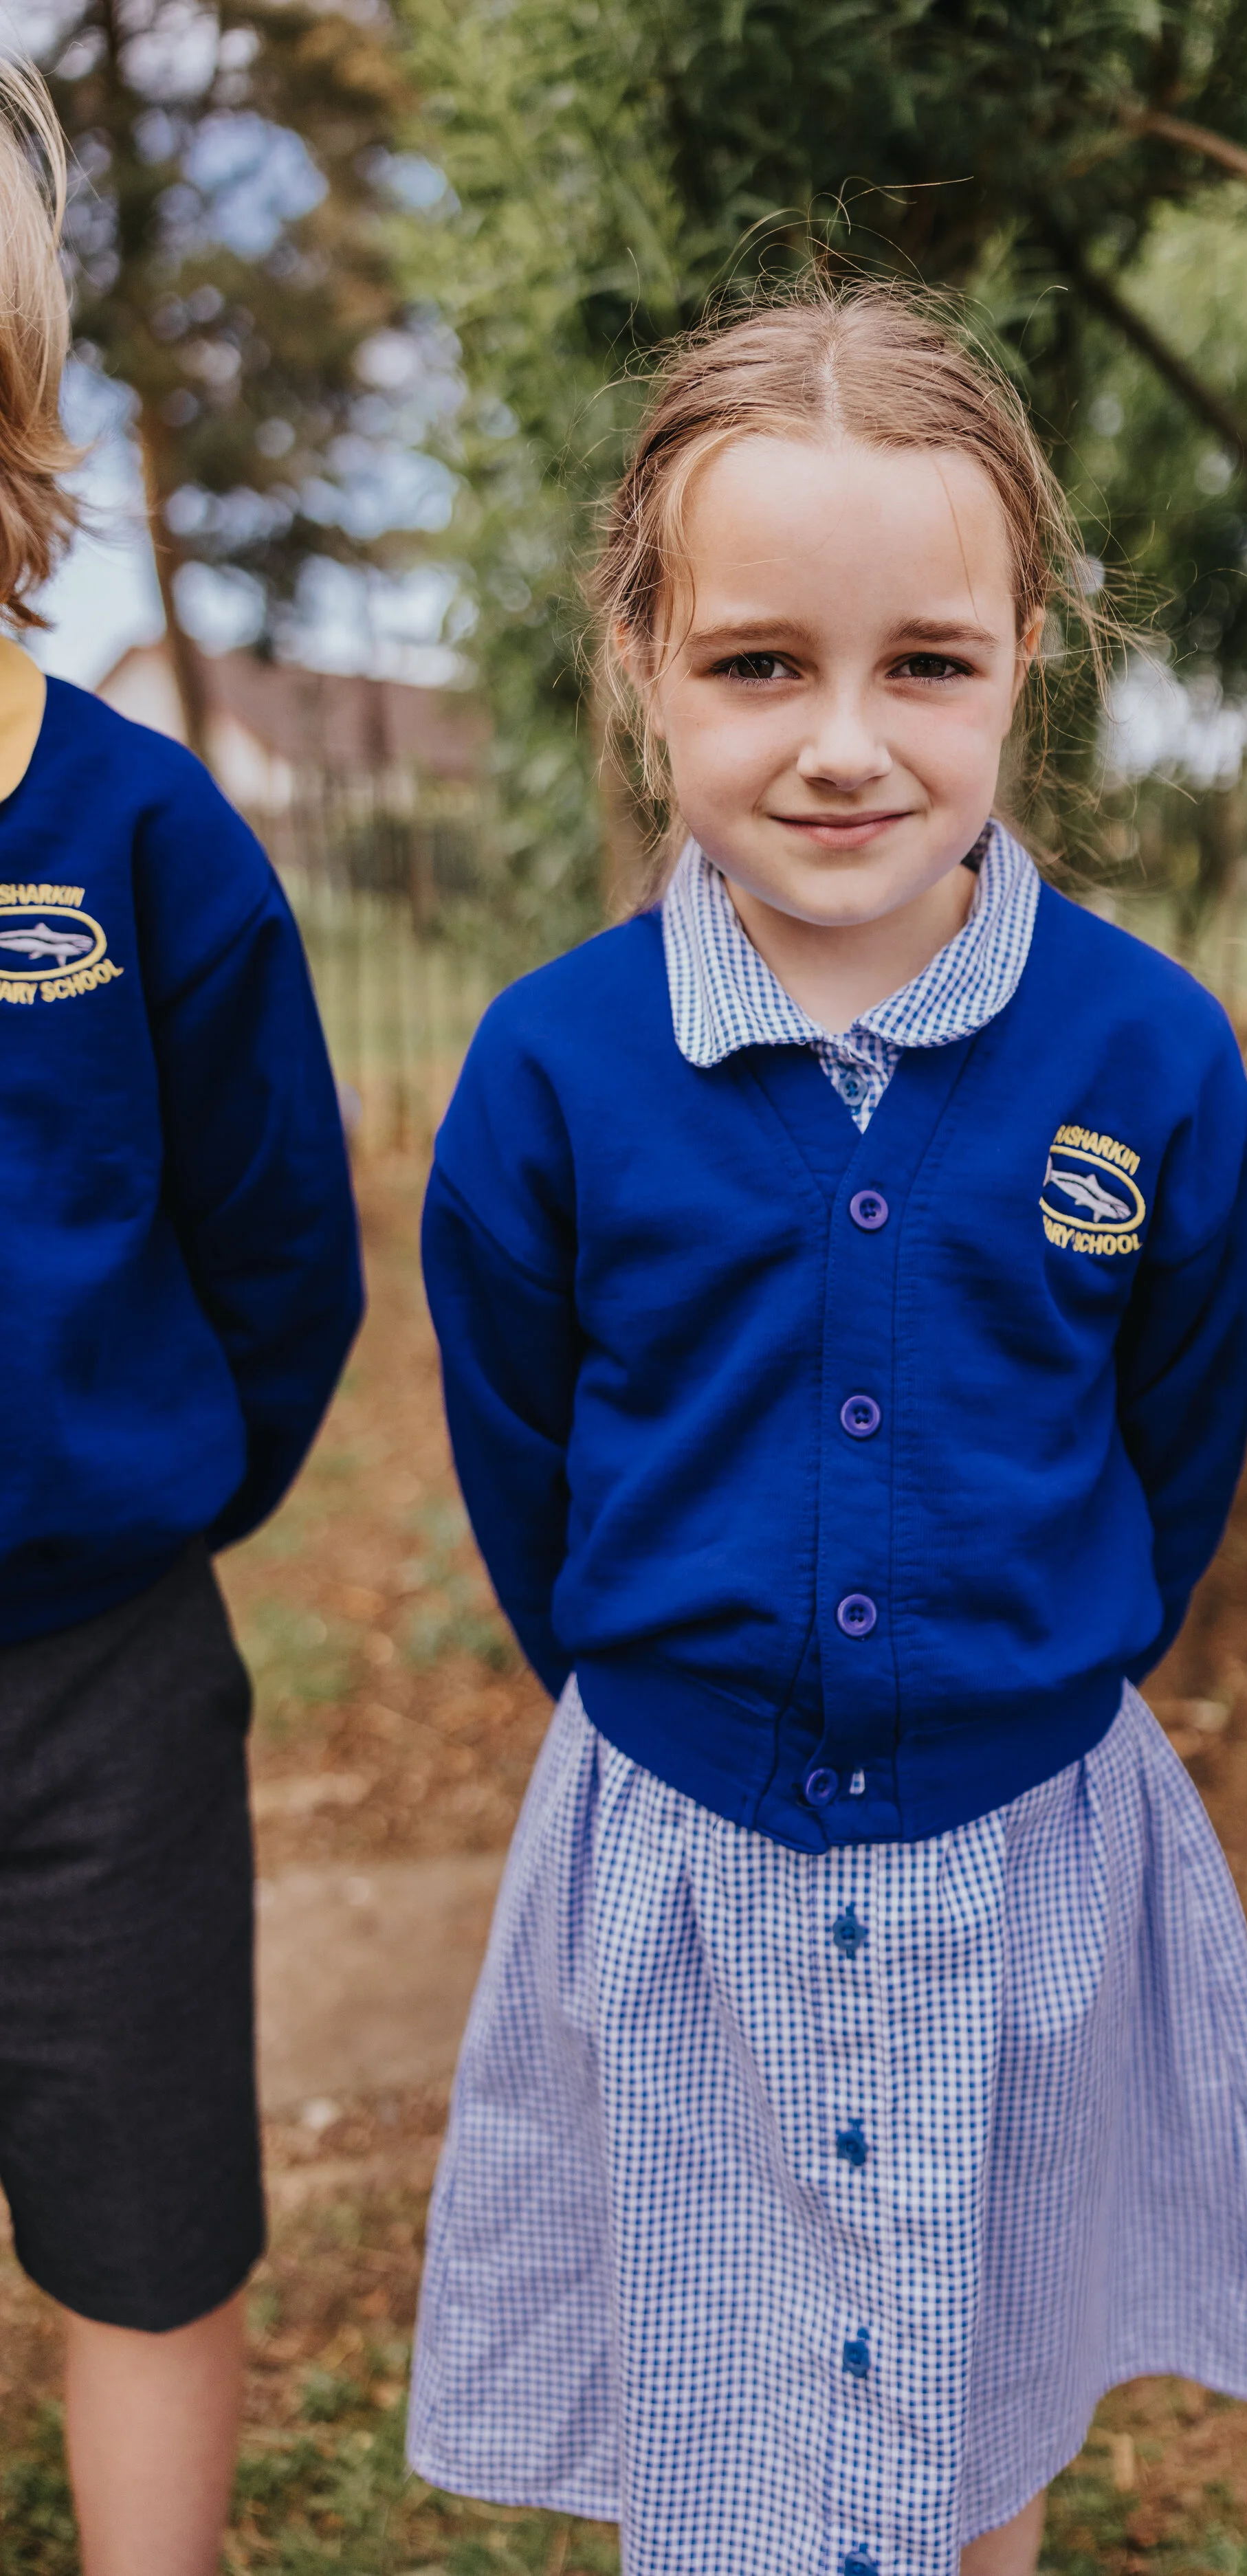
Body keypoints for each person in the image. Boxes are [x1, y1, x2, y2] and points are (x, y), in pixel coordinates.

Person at [408, 282, 1247, 2576]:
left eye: (923, 661)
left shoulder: (1145, 1057)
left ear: (1030, 648)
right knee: (720, 2437)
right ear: (643, 661)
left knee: (970, 2392)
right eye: (759, 664)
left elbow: (1176, 1426)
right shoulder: (549, 1071)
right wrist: (672, 1688)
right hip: (685, 1860)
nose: (844, 742)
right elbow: (529, 1473)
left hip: (1023, 1848)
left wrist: (1029, 1667)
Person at [0, 63, 363, 2576]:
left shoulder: (146, 843)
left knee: (142, 2200)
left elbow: (275, 1252)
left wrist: (134, 1496)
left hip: (100, 1675)